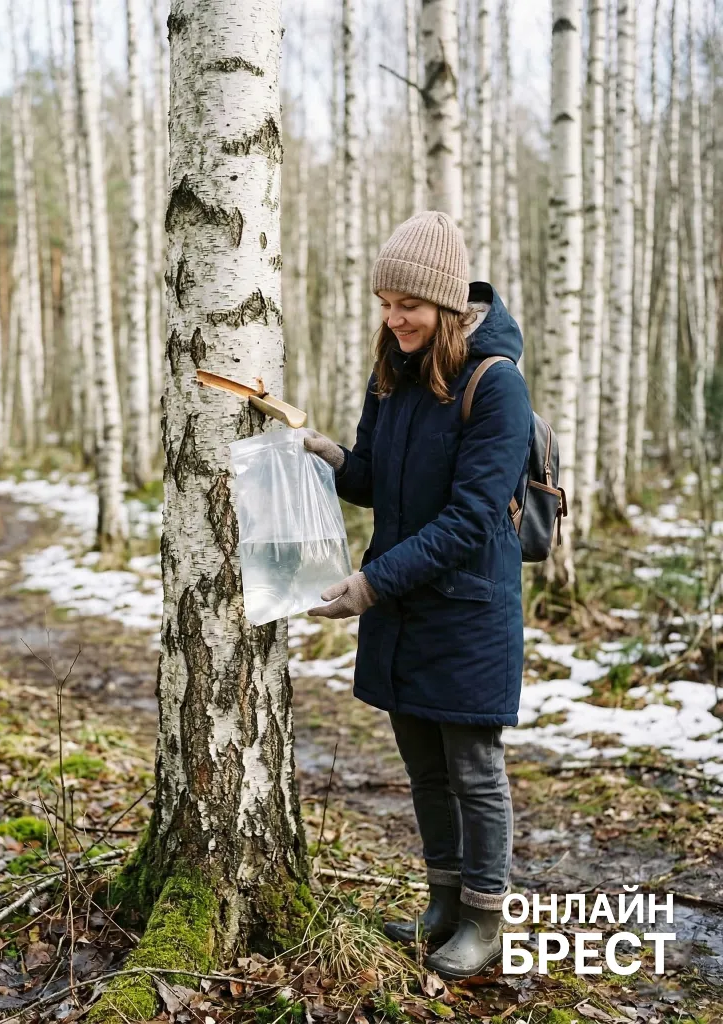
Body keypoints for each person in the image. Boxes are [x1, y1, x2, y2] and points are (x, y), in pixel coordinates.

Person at [303, 211, 533, 980]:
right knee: (424, 770)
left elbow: (471, 519)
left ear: (445, 303)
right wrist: (327, 454)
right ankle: (441, 902)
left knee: (472, 768)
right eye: (385, 301)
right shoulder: (392, 375)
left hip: (467, 610)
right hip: (405, 605)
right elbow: (374, 479)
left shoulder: (496, 385)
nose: (394, 317)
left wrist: (369, 585)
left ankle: (484, 917)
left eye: (409, 303)